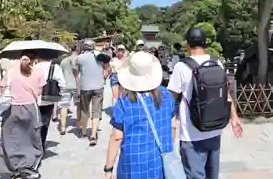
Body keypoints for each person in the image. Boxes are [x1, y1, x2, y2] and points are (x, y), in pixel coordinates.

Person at [168, 27, 243, 179]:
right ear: (205, 43)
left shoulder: (181, 67)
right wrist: (234, 118)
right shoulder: (217, 63)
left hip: (191, 134)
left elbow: (171, 99)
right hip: (215, 130)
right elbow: (226, 95)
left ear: (187, 45)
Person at [104, 51, 175, 179]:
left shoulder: (125, 101)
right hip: (161, 160)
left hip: (134, 163)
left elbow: (116, 137)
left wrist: (109, 168)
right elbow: (173, 126)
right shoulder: (166, 95)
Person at [0, 52, 46, 179]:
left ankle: (13, 167)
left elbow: (2, 88)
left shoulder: (10, 72)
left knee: (11, 138)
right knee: (32, 138)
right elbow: (40, 91)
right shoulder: (38, 72)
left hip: (11, 108)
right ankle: (29, 167)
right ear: (34, 59)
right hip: (30, 108)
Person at [74, 40, 107, 146]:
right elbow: (108, 68)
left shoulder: (79, 58)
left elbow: (75, 72)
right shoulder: (100, 56)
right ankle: (93, 135)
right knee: (96, 111)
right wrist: (104, 77)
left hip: (85, 87)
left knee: (84, 110)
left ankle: (83, 133)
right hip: (98, 86)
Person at [34, 54, 66, 152]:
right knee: (45, 123)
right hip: (48, 98)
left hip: (34, 99)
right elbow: (62, 83)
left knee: (34, 122)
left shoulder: (34, 67)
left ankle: (34, 143)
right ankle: (41, 144)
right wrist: (60, 92)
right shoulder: (55, 67)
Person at [58, 46, 79, 135]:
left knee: (64, 106)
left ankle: (63, 127)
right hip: (76, 85)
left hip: (65, 85)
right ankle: (79, 124)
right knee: (78, 105)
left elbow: (60, 73)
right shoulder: (78, 59)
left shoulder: (63, 61)